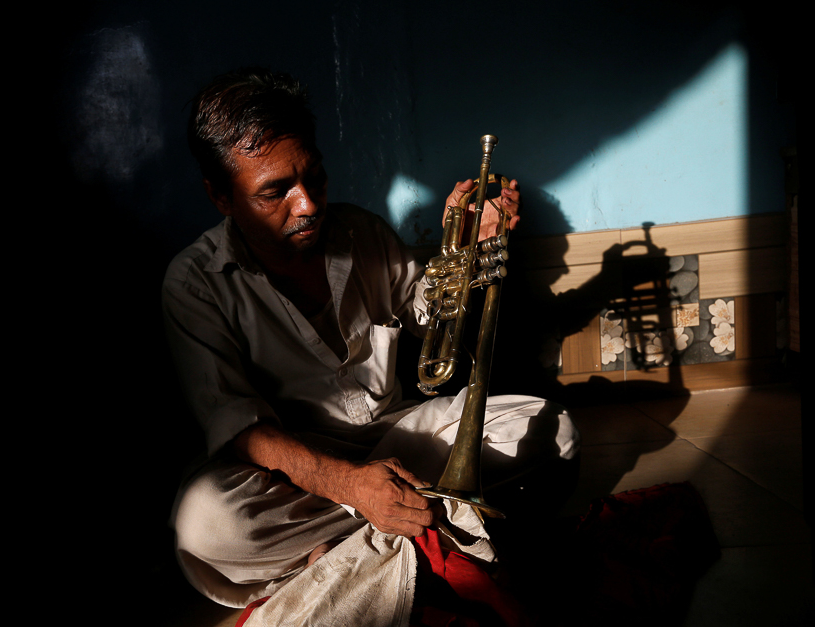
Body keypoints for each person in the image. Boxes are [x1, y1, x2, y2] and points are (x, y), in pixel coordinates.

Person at [162, 67, 579, 609]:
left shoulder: (362, 232)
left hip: (401, 438)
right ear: (220, 196)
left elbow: (431, 315)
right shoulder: (194, 283)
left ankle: (341, 556)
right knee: (204, 526)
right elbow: (241, 430)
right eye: (275, 192)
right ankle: (423, 528)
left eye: (314, 177)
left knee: (557, 430)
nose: (308, 204)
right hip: (295, 470)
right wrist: (354, 486)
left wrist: (467, 253)